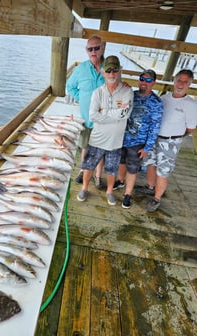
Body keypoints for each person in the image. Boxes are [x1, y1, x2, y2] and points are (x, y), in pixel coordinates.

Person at [76, 55, 134, 205]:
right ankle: (84, 188)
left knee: (111, 169)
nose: (112, 73)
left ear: (120, 71)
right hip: (97, 138)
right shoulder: (97, 92)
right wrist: (115, 113)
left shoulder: (127, 91)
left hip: (115, 141)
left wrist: (104, 112)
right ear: (103, 72)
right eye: (108, 70)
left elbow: (125, 113)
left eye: (115, 69)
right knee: (88, 166)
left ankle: (109, 191)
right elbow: (93, 116)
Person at [143, 69, 197, 212]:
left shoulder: (191, 105)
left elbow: (190, 129)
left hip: (171, 142)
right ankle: (150, 187)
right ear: (174, 80)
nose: (181, 84)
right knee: (150, 163)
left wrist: (174, 136)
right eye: (179, 80)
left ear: (190, 84)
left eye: (186, 82)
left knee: (163, 171)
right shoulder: (165, 98)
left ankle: (157, 198)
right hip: (155, 138)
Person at [114, 69, 164, 209]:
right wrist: (122, 87)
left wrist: (147, 148)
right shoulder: (131, 95)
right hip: (122, 137)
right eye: (142, 79)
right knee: (121, 162)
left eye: (148, 80)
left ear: (153, 83)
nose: (144, 82)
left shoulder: (156, 103)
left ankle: (128, 195)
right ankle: (120, 180)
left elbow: (155, 127)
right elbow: (118, 104)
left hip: (138, 143)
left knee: (133, 169)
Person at [66, 35, 106, 189]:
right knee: (85, 146)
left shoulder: (109, 67)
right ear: (86, 51)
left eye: (97, 48)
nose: (93, 51)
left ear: (102, 48)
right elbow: (70, 87)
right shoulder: (81, 69)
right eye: (90, 49)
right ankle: (83, 170)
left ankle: (97, 176)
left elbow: (117, 86)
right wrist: (80, 98)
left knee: (100, 149)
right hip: (86, 117)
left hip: (103, 119)